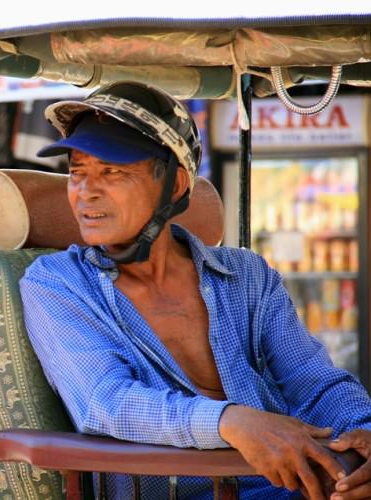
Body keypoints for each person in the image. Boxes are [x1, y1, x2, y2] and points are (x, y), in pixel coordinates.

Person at [19, 82, 371, 500]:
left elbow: (314, 382)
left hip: (292, 487)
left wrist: (363, 430)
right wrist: (232, 422)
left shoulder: (247, 275)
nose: (86, 191)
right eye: (77, 172)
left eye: (113, 171)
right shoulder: (56, 282)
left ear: (176, 184)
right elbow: (106, 401)